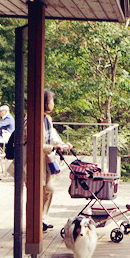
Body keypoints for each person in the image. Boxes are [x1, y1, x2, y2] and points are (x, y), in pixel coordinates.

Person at [41, 90, 72, 231]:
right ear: (46, 102)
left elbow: (52, 136)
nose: (53, 103)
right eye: (52, 100)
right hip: (34, 162)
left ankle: (42, 219)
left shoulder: (47, 119)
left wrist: (62, 144)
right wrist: (54, 146)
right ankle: (37, 221)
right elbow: (34, 143)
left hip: (45, 160)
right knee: (40, 191)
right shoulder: (33, 120)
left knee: (48, 190)